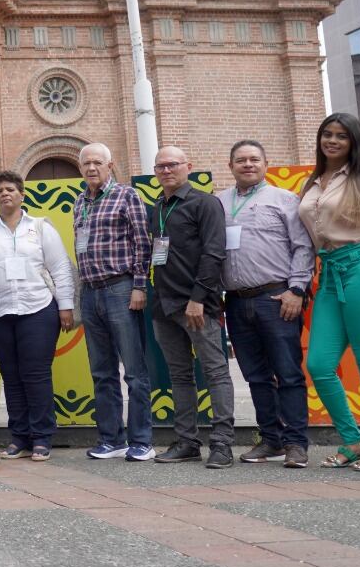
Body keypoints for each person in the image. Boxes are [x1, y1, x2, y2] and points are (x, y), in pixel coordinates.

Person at [298, 113, 360, 473]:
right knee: (320, 365)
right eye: (327, 134)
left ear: (353, 142)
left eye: (342, 136)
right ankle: (354, 441)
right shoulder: (312, 183)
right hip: (328, 274)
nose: (333, 141)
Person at [218, 140, 315, 469]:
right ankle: (271, 439)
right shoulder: (218, 203)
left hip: (276, 298)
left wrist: (297, 290)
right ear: (230, 166)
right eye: (241, 160)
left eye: (254, 159)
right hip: (235, 302)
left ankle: (296, 443)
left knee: (287, 373)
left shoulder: (285, 200)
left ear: (265, 163)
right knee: (256, 376)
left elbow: (303, 247)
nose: (248, 164)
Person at [0, 170, 75, 461]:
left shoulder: (41, 228)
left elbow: (61, 268)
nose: (5, 194)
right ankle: (18, 437)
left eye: (11, 189)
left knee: (36, 374)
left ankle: (41, 437)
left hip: (38, 309)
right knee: (11, 377)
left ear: (22, 195)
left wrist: (65, 305)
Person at [148, 146, 235, 470]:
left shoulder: (204, 203)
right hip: (164, 305)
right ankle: (187, 441)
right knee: (180, 375)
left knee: (215, 372)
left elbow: (214, 254)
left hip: (198, 304)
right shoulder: (157, 207)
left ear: (189, 166)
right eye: (161, 166)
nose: (166, 170)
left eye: (172, 165)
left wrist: (198, 299)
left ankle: (223, 444)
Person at [73, 143, 154, 463]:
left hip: (121, 289)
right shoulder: (80, 202)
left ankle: (142, 440)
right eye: (86, 164)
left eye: (97, 163)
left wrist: (139, 286)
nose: (91, 168)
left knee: (134, 370)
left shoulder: (126, 195)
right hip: (91, 292)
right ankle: (111, 439)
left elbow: (142, 242)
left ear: (110, 165)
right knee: (101, 371)